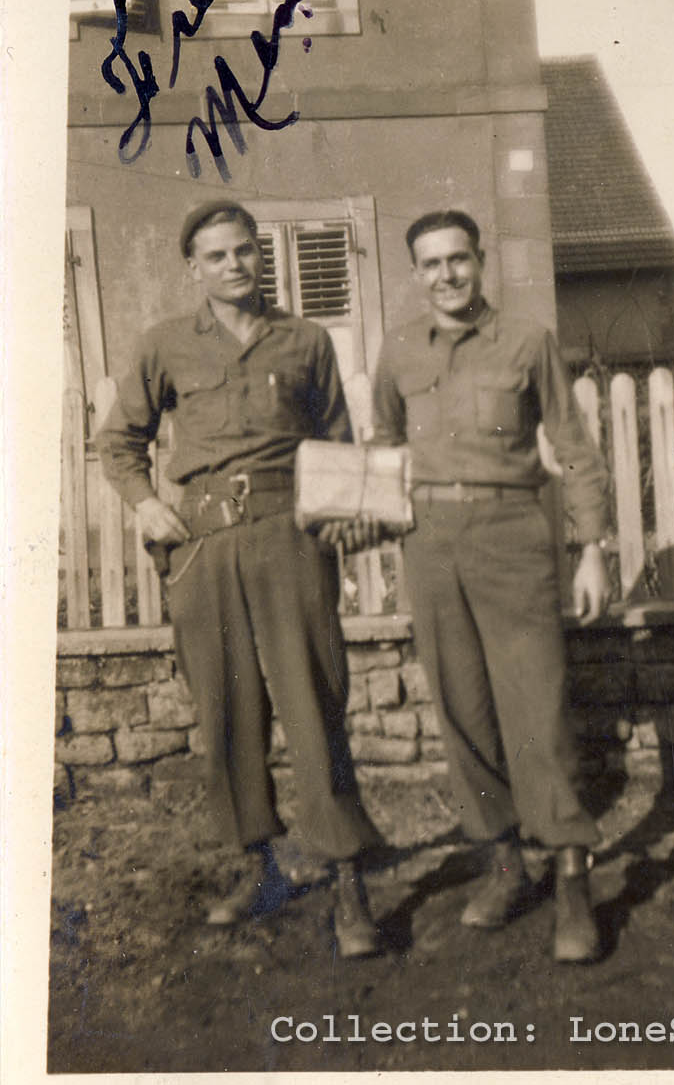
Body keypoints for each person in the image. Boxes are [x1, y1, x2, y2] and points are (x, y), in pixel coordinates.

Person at [97, 200, 383, 957]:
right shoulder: (164, 345)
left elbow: (339, 444)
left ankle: (348, 877)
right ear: (194, 268)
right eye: (217, 256)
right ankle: (260, 867)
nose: (235, 265)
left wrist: (338, 526)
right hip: (203, 545)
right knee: (224, 706)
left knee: (314, 696)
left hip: (291, 536)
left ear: (263, 257)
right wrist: (147, 503)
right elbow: (118, 442)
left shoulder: (306, 341)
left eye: (245, 251)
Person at [370, 209, 612, 962]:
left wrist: (592, 548)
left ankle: (571, 872)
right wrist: (375, 527)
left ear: (480, 262)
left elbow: (572, 445)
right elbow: (381, 444)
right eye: (430, 263)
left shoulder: (527, 341)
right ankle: (504, 861)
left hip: (511, 534)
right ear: (416, 274)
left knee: (536, 708)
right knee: (463, 710)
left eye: (458, 260)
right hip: (430, 544)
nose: (446, 275)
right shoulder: (400, 349)